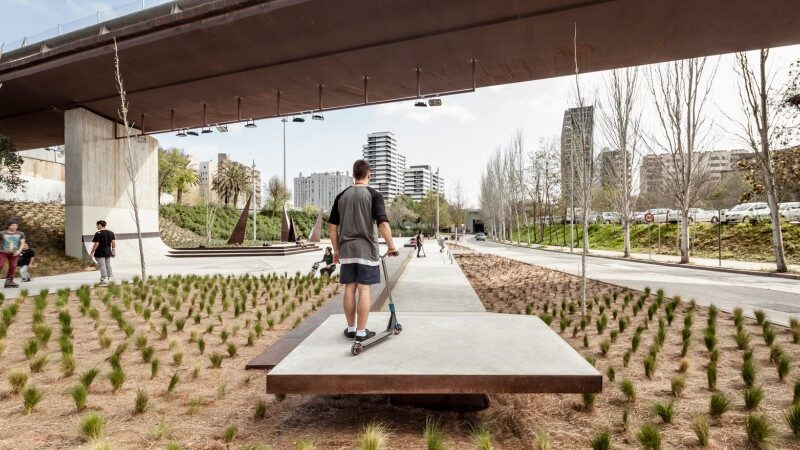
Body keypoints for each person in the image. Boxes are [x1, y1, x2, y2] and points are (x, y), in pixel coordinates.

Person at [328, 159, 397, 342]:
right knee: (364, 289)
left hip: (346, 251)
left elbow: (332, 227)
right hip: (367, 250)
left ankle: (351, 329)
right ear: (369, 175)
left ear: (353, 175)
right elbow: (383, 224)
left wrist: (336, 250)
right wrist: (391, 246)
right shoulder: (374, 195)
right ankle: (361, 332)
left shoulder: (341, 196)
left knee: (349, 288)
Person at [89, 220, 116, 286]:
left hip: (100, 252)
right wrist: (113, 250)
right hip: (108, 252)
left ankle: (104, 279)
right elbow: (113, 242)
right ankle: (110, 278)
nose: (97, 227)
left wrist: (91, 253)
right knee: (107, 265)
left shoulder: (98, 233)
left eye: (97, 225)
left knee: (102, 266)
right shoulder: (111, 233)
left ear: (100, 225)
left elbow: (96, 244)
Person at [1, 219, 25, 288]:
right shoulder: (2, 233)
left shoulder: (21, 233)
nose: (14, 227)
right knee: (0, 265)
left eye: (16, 226)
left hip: (15, 253)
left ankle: (9, 281)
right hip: (2, 252)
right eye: (12, 225)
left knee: (13, 266)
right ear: (8, 226)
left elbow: (22, 243)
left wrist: (19, 251)